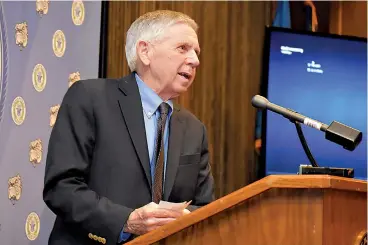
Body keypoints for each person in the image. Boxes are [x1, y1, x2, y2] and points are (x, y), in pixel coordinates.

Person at [43, 10, 215, 245]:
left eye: (196, 52)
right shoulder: (90, 99)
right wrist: (125, 221)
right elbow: (61, 187)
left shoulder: (194, 128)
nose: (195, 60)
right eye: (183, 48)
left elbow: (204, 206)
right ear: (145, 52)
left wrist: (183, 218)